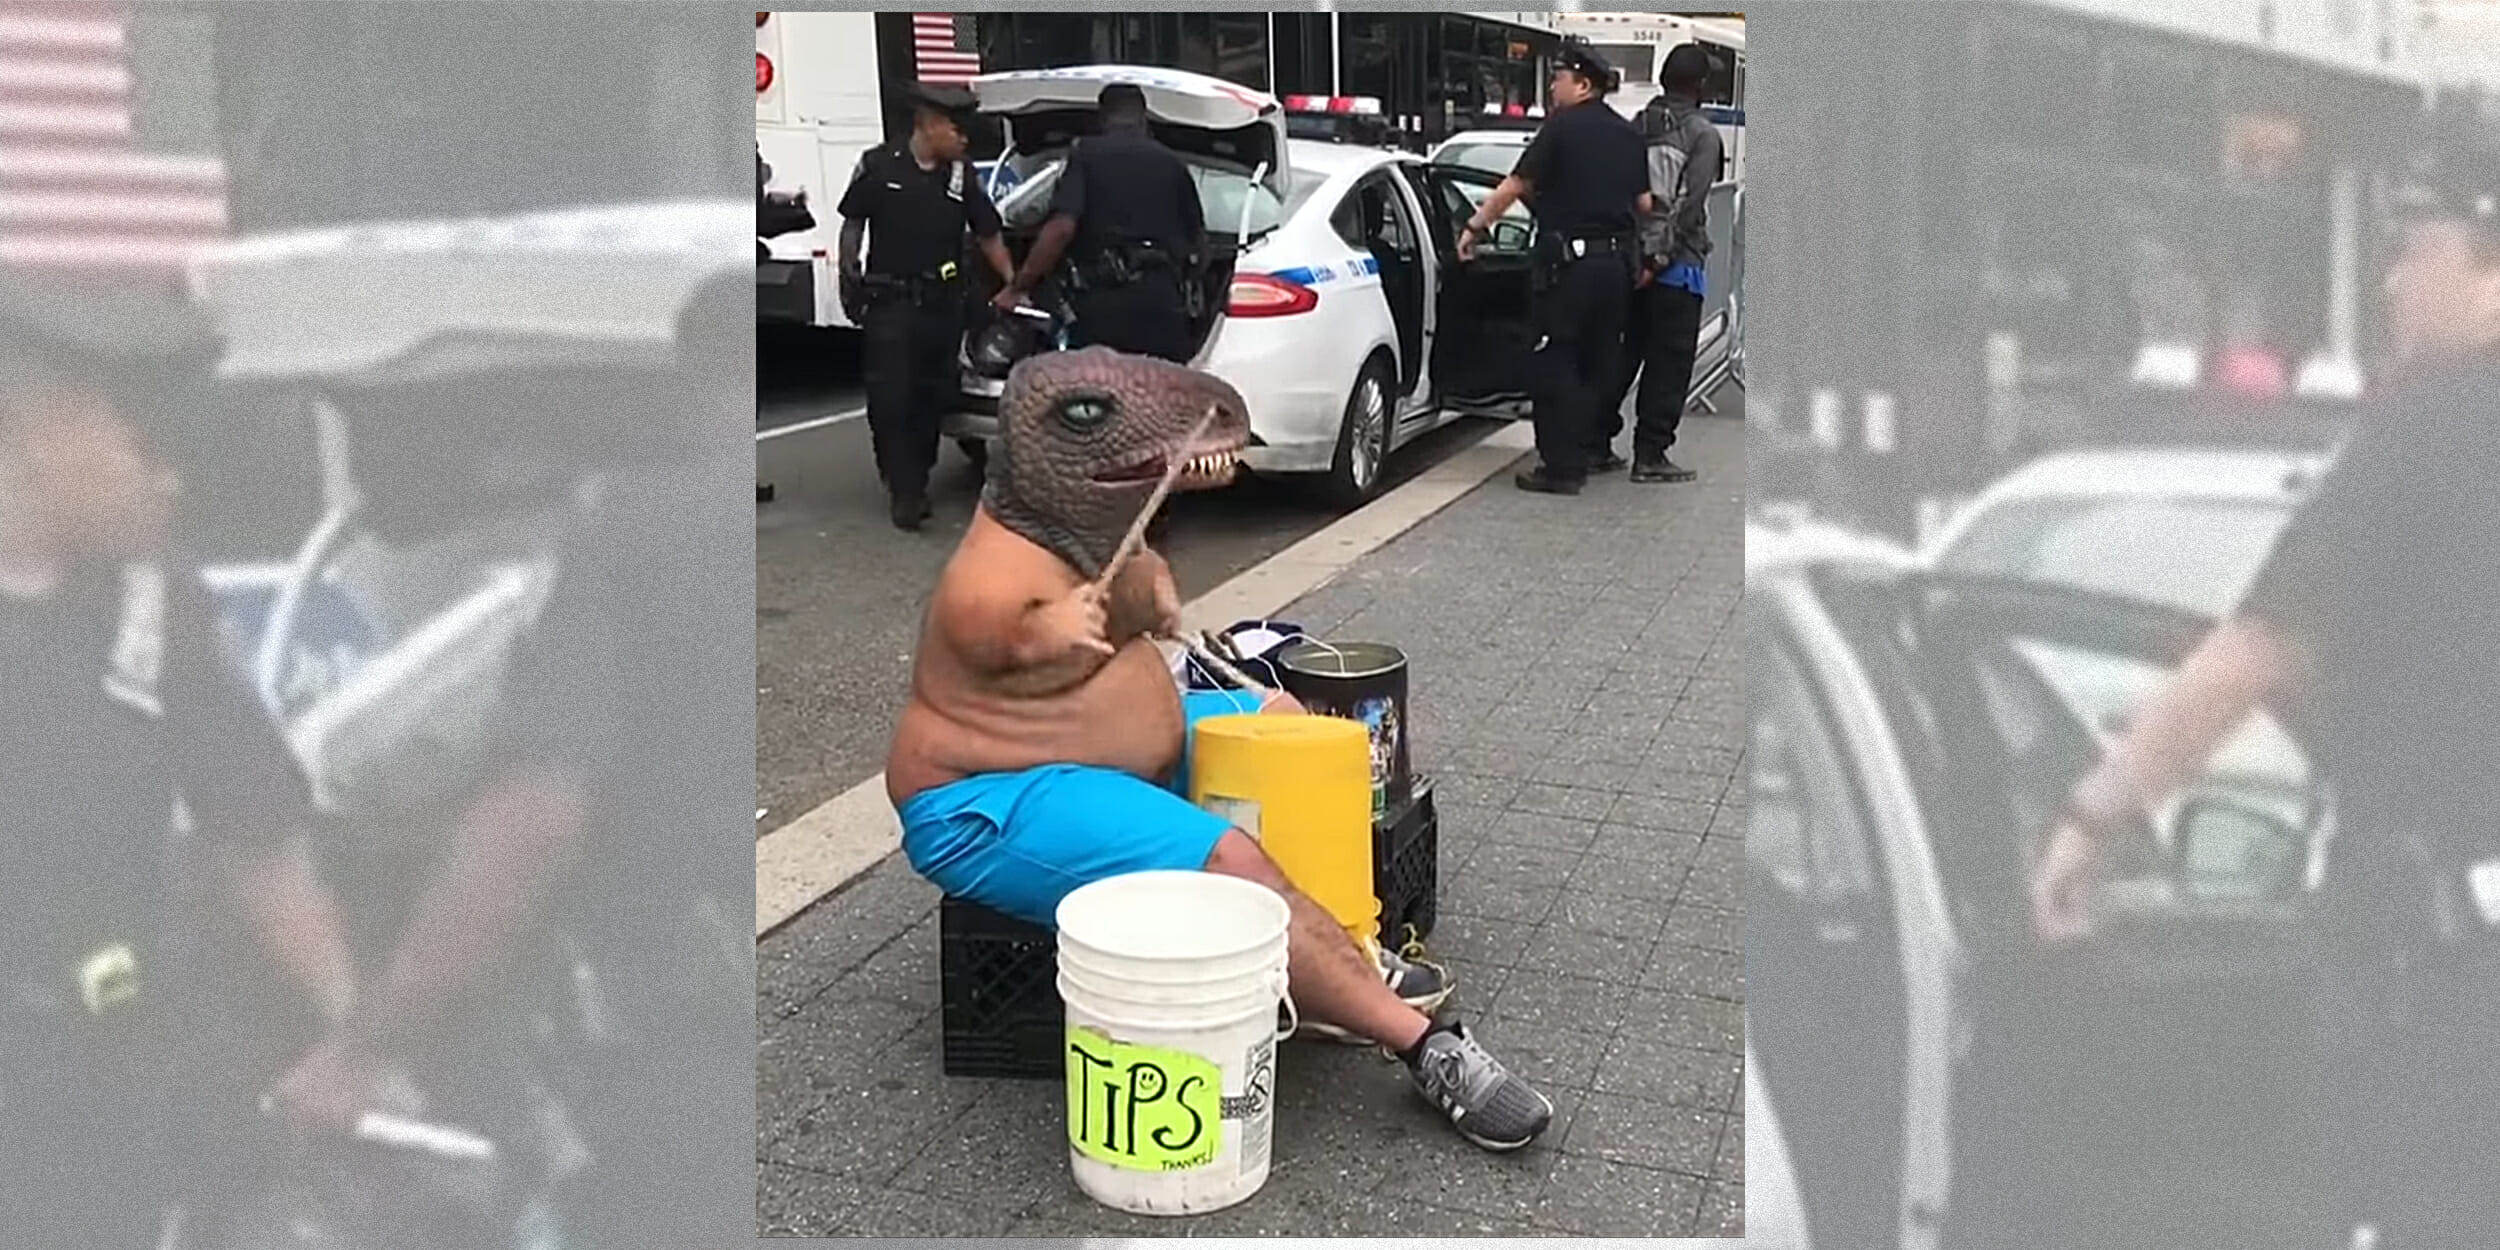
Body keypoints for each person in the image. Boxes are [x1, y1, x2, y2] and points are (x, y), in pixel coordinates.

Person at [2028, 98, 2500, 1249]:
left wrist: (2092, 821)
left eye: (2413, 247)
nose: (2388, 279)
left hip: (2442, 965)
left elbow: (2260, 647)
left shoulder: (2429, 421)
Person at [888, 347, 1555, 1152]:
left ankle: (1340, 945)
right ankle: (1419, 1041)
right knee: (1233, 864)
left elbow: (1136, 594)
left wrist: (1149, 591)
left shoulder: (1084, 531)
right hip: (988, 797)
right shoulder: (988, 578)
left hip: (1101, 745)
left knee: (1287, 717)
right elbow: (1006, 631)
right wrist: (1053, 629)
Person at [0, 277, 336, 1246]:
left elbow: (255, 829)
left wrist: (355, 1033)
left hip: (99, 1073)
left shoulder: (150, 603)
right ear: (46, 426)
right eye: (145, 446)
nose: (173, 482)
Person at [1454, 43, 1652, 496]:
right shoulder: (1627, 135)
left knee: (1556, 358)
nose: (1551, 85)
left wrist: (1474, 227)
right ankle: (1588, 449)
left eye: (1558, 77)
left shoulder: (1560, 129)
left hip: (1570, 269)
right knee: (1598, 362)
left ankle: (1561, 468)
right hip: (1616, 267)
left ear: (1583, 85)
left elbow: (1515, 185)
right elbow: (1643, 203)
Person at [839, 83, 1016, 531]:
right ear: (930, 123)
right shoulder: (878, 166)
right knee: (890, 398)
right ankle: (905, 489)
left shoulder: (961, 176)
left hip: (941, 306)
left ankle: (916, 476)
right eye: (958, 130)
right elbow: (854, 222)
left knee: (930, 398)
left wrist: (1015, 284)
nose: (965, 140)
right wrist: (848, 275)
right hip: (890, 305)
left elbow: (988, 233)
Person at [993, 82, 1207, 365]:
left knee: (1099, 391)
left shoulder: (1086, 154)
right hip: (1163, 306)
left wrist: (1020, 285)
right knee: (1158, 397)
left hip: (1103, 305)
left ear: (1102, 118)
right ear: (1144, 118)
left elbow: (1061, 229)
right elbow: (1199, 246)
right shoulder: (1173, 164)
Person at [1597, 42, 1723, 483]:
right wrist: (1661, 257)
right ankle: (1650, 454)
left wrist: (1637, 258)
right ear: (1700, 85)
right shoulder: (1702, 134)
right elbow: (1690, 205)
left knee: (1624, 353)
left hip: (1629, 263)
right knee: (1668, 365)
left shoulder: (1636, 125)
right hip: (1676, 267)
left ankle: (1596, 441)